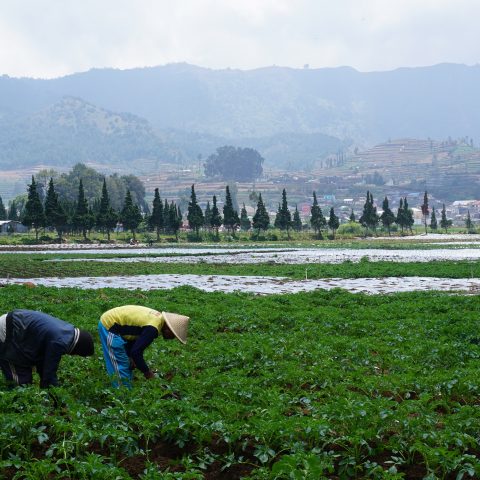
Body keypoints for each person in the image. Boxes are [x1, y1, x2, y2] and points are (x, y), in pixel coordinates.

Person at [98, 305, 190, 387]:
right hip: (109, 325)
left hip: (119, 326)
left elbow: (133, 334)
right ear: (169, 329)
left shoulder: (158, 320)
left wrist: (130, 356)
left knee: (127, 362)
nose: (173, 338)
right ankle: (122, 394)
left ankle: (126, 387)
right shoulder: (153, 328)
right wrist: (147, 373)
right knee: (119, 363)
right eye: (174, 335)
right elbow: (136, 352)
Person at [0, 309, 94, 388]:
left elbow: (43, 363)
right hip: (9, 328)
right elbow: (49, 372)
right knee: (20, 382)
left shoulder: (66, 332)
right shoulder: (59, 342)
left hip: (18, 325)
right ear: (78, 348)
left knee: (26, 377)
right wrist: (56, 397)